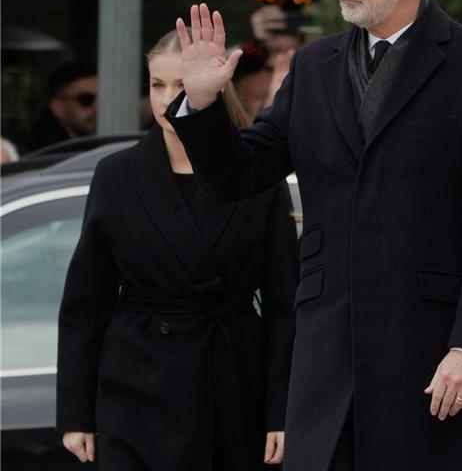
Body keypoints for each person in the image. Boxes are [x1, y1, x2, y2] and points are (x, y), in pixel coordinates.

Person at [167, 0, 462, 470]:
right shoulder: (314, 66)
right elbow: (241, 173)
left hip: (432, 356)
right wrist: (205, 101)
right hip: (329, 360)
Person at [56, 31, 298, 470]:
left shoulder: (257, 178)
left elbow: (286, 306)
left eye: (182, 86)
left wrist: (282, 412)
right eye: (157, 84)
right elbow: (84, 304)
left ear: (213, 86)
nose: (168, 99)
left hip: (234, 386)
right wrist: (75, 413)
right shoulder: (116, 175)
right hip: (136, 389)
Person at [23, 60, 97, 152]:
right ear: (58, 107)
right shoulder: (42, 152)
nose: (97, 108)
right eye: (86, 99)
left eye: (102, 99)